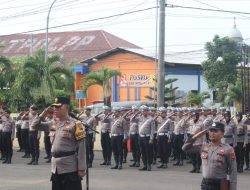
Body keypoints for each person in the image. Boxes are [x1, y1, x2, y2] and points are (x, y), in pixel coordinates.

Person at [31, 96, 86, 190]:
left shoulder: (76, 124)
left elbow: (82, 146)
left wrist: (81, 168)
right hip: (55, 167)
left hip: (70, 167)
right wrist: (43, 113)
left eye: (58, 107)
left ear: (67, 107)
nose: (55, 109)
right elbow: (34, 126)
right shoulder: (53, 123)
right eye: (54, 107)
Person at [182, 122, 237, 190]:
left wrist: (233, 188)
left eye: (215, 131)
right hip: (205, 184)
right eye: (211, 131)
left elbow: (233, 171)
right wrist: (195, 136)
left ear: (222, 134)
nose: (212, 133)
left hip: (220, 184)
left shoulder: (228, 149)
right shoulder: (203, 146)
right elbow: (185, 148)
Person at [138, 105, 155, 171]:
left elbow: (152, 130)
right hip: (141, 137)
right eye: (142, 111)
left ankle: (149, 165)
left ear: (147, 111)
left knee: (148, 152)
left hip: (147, 137)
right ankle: (144, 165)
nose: (143, 112)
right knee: (142, 152)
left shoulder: (151, 119)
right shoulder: (140, 118)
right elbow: (132, 119)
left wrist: (151, 138)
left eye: (144, 110)